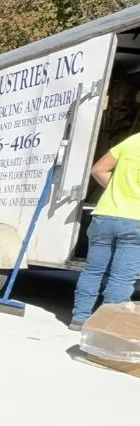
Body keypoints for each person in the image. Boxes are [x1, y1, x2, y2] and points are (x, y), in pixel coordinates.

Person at [71, 131, 140, 330]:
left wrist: (118, 188)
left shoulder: (133, 140)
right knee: (121, 277)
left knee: (93, 271)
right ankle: (106, 326)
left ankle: (79, 318)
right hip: (136, 221)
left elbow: (98, 169)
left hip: (105, 216)